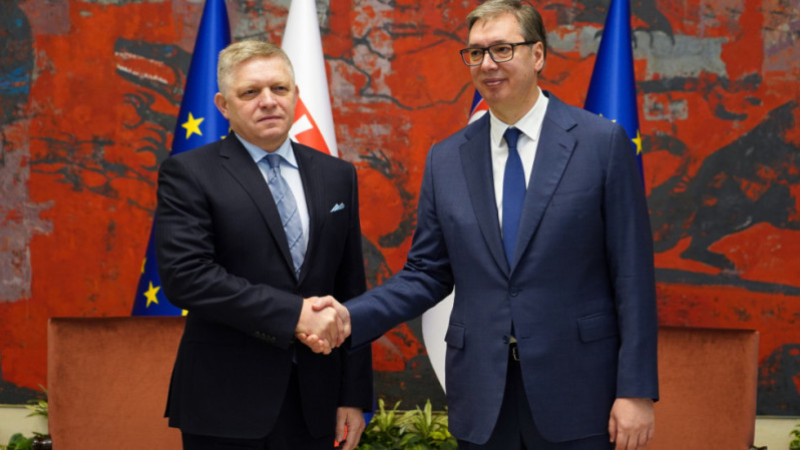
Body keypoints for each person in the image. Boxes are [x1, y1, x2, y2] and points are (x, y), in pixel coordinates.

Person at [305, 0, 658, 448]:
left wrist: (636, 390)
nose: (487, 63)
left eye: (502, 49)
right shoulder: (447, 158)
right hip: (483, 397)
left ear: (538, 55)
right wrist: (348, 316)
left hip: (580, 391)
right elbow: (426, 273)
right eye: (476, 52)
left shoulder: (601, 144)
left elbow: (632, 275)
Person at [155, 40, 372, 450]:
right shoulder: (189, 173)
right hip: (225, 402)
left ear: (296, 95)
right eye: (250, 92)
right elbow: (186, 278)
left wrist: (353, 395)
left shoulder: (337, 174)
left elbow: (351, 288)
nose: (268, 101)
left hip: (317, 401)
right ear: (223, 105)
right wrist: (295, 315)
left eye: (279, 88)